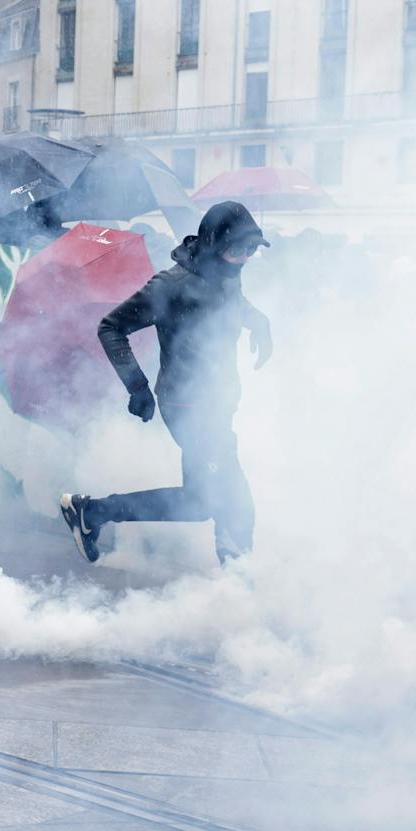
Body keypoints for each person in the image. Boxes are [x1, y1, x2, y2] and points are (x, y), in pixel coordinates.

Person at [60, 201, 273, 566]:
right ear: (212, 243)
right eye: (239, 248)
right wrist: (137, 387)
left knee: (208, 500)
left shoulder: (226, 272)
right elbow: (110, 327)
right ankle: (238, 570)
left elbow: (231, 301)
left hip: (217, 405)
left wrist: (258, 320)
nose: (244, 258)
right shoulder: (171, 285)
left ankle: (91, 512)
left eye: (252, 250)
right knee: (223, 499)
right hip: (187, 407)